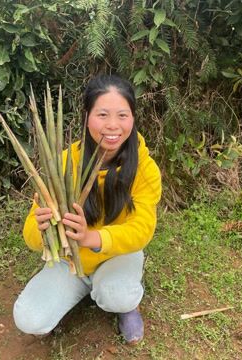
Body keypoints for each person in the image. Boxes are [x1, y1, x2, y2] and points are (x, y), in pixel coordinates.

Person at [13, 74, 162, 345]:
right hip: (71, 260)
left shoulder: (145, 168)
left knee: (117, 295)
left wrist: (90, 238)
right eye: (102, 114)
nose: (113, 125)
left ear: (133, 118)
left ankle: (125, 302)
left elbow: (142, 230)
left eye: (122, 115)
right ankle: (89, 286)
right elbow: (31, 237)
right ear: (87, 117)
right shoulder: (65, 162)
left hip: (118, 253)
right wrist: (41, 227)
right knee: (29, 319)